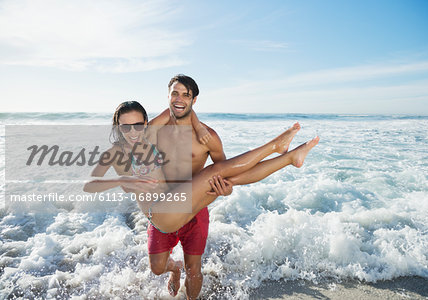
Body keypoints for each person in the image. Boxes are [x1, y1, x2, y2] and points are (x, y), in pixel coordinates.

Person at [84, 102, 319, 299]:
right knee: (157, 268)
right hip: (161, 216)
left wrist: (196, 125)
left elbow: (180, 107)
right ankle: (281, 150)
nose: (133, 132)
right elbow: (90, 185)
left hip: (182, 204)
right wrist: (123, 180)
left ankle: (289, 157)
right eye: (126, 127)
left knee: (224, 176)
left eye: (138, 125)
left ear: (146, 122)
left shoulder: (151, 133)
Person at [144, 75, 232, 299]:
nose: (179, 98)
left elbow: (225, 171)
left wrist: (227, 189)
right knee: (156, 267)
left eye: (186, 95)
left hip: (194, 208)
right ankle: (174, 269)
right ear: (168, 96)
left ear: (194, 100)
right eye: (175, 93)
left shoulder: (208, 137)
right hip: (165, 207)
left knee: (194, 270)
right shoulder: (158, 131)